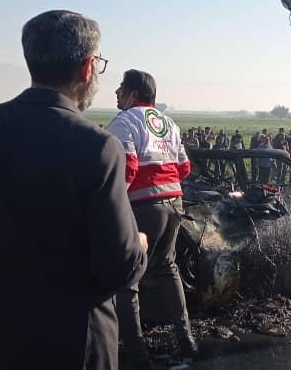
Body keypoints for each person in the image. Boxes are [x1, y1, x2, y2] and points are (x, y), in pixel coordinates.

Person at [0, 10, 147, 370]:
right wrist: (140, 246)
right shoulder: (98, 147)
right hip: (73, 348)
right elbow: (116, 266)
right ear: (87, 68)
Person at [108, 69, 196, 369]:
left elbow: (128, 168)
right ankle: (187, 340)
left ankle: (137, 354)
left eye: (121, 88)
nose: (116, 93)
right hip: (174, 204)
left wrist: (112, 202)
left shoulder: (124, 122)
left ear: (133, 93)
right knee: (168, 267)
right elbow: (184, 168)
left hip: (144, 206)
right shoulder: (168, 122)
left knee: (128, 279)